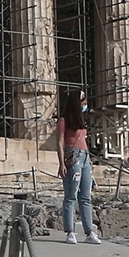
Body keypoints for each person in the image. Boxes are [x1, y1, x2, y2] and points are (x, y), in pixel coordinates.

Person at [53, 88, 99, 244]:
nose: (85, 103)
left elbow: (84, 141)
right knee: (71, 195)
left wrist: (90, 161)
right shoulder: (63, 121)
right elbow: (59, 142)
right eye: (83, 99)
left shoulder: (81, 121)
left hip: (85, 157)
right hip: (72, 156)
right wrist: (61, 163)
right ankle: (70, 231)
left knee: (85, 196)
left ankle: (89, 232)